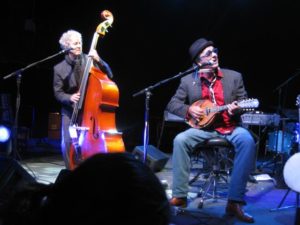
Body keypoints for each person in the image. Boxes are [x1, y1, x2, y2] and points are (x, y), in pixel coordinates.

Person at [166, 38, 256, 223]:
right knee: (180, 140)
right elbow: (172, 104)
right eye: (208, 53)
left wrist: (236, 108)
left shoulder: (234, 77)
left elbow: (243, 99)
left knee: (247, 140)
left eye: (214, 50)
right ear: (198, 61)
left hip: (230, 126)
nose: (214, 54)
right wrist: (188, 109)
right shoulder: (187, 80)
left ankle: (234, 201)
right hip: (203, 129)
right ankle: (180, 196)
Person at [53, 29, 113, 169]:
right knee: (67, 141)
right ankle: (70, 170)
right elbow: (58, 93)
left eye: (80, 42)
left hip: (89, 110)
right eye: (75, 43)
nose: (79, 45)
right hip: (70, 111)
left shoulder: (89, 60)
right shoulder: (59, 68)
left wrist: (99, 60)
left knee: (88, 142)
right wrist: (69, 97)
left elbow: (109, 74)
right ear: (67, 46)